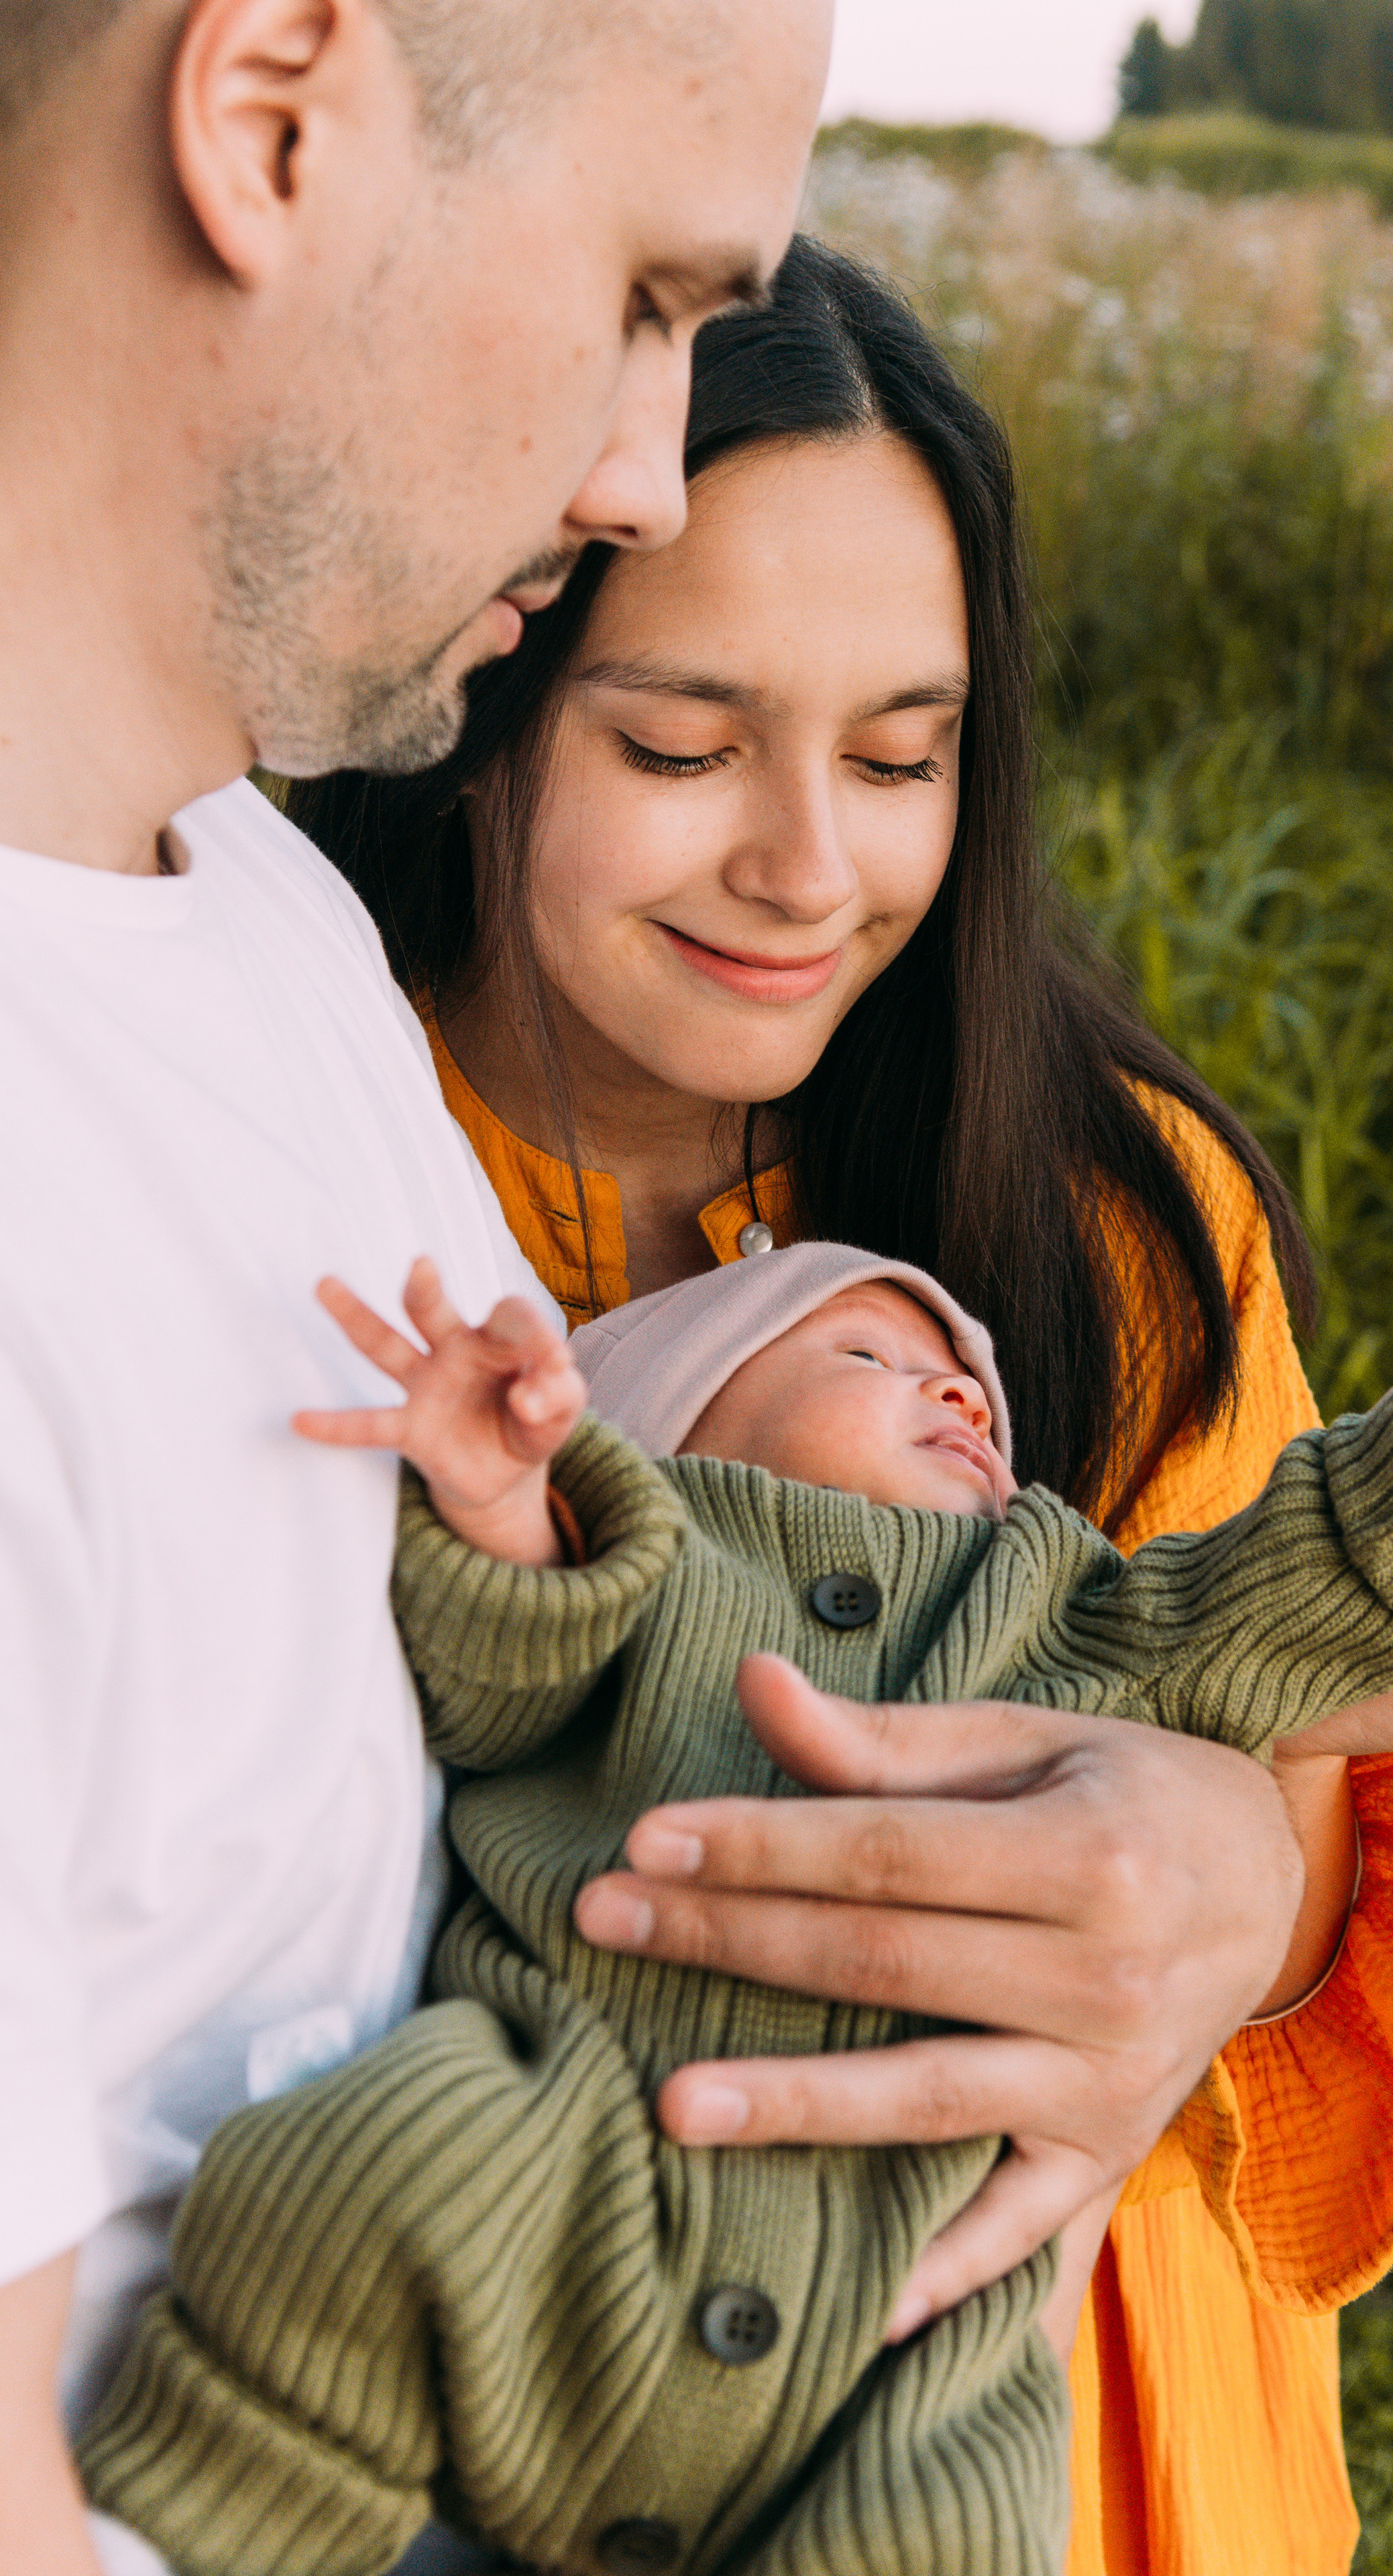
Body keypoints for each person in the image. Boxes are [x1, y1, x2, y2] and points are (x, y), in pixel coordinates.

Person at [290, 239, 1393, 2574]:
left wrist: (1266, 1812)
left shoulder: (1120, 1216)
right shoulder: (314, 1145)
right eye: (680, 746)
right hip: (533, 2363)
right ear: (480, 684)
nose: (812, 869)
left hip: (1056, 2391)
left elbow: (1269, 1764)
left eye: (905, 755)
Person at [0, 4, 834, 2572]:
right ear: (269, 117)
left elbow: (563, 1631)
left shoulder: (240, 895)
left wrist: (1183, 1867)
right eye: (643, 299)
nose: (641, 475)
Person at [80, 1242, 1393, 2576]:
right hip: (557, 2163)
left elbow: (1263, 1598)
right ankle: (211, 2510)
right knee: (355, 2183)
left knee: (962, 2500)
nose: (954, 1390)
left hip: (904, 2292)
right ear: (670, 1424)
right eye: (867, 1353)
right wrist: (501, 1508)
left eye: (972, 1388)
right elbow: (491, 1685)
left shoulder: (1062, 1613)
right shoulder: (656, 1563)